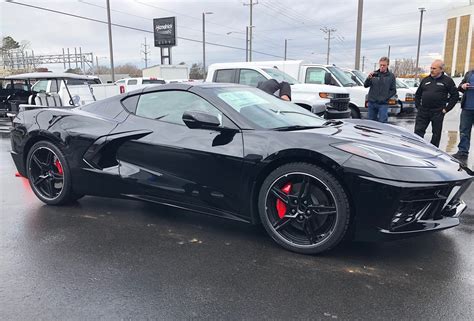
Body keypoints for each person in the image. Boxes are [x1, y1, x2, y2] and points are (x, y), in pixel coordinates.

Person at [414, 59, 459, 148]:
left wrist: (446, 109)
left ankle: (433, 152)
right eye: (431, 68)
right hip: (423, 111)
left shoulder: (447, 81)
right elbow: (418, 94)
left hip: (438, 112)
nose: (431, 70)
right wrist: (418, 106)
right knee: (418, 132)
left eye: (434, 68)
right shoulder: (425, 80)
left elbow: (455, 96)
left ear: (441, 69)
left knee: (436, 134)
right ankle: (417, 149)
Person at [364, 56, 396, 123]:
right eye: (380, 65)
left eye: (384, 65)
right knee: (371, 123)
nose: (382, 67)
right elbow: (365, 85)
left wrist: (385, 97)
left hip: (383, 104)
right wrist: (369, 78)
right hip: (372, 103)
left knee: (382, 123)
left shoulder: (391, 76)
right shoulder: (374, 74)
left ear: (387, 65)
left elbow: (393, 90)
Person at [452, 70, 474, 162]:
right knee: (464, 131)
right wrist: (463, 86)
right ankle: (462, 152)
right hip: (467, 108)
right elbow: (459, 87)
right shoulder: (469, 73)